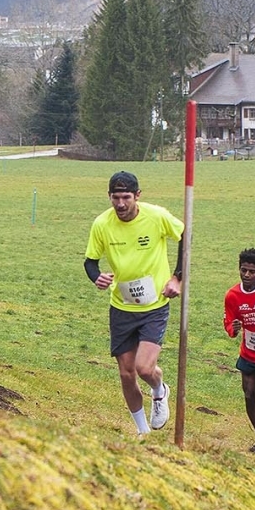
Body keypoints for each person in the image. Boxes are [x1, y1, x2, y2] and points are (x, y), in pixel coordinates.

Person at [84, 170, 183, 437]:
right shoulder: (102, 224)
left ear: (138, 196)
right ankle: (142, 432)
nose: (120, 204)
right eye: (115, 198)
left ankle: (159, 389)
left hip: (154, 306)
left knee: (144, 368)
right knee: (127, 374)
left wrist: (177, 278)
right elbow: (90, 262)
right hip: (122, 307)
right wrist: (98, 277)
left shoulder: (157, 216)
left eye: (126, 197)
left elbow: (185, 235)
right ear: (109, 197)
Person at [223, 247, 255, 452]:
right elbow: (229, 323)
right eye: (243, 270)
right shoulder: (233, 295)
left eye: (252, 271)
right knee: (249, 395)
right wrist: (233, 329)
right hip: (248, 353)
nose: (246, 275)